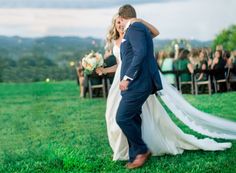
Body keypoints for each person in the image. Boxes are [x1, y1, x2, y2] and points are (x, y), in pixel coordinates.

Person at [101, 4, 236, 170]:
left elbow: (141, 52)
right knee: (133, 117)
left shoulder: (135, 28)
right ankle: (135, 153)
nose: (118, 25)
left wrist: (127, 78)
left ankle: (142, 150)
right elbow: (131, 55)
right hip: (135, 83)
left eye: (119, 21)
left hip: (137, 82)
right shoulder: (136, 29)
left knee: (122, 117)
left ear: (122, 18)